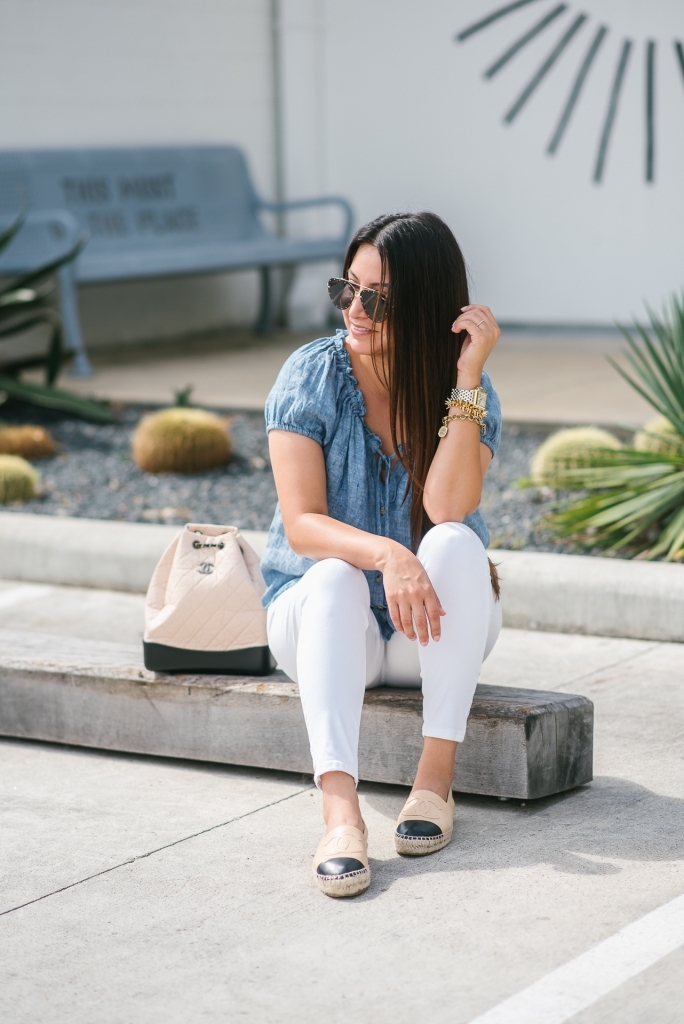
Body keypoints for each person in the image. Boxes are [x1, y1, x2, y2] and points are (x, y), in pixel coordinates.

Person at [261, 212, 502, 897]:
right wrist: (389, 554)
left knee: (454, 542)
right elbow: (303, 525)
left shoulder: (468, 392)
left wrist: (468, 377)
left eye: (377, 298)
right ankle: (341, 817)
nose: (355, 311)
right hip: (326, 618)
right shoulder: (310, 375)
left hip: (422, 627)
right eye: (348, 289)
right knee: (337, 574)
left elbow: (448, 510)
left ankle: (434, 783)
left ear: (425, 304)